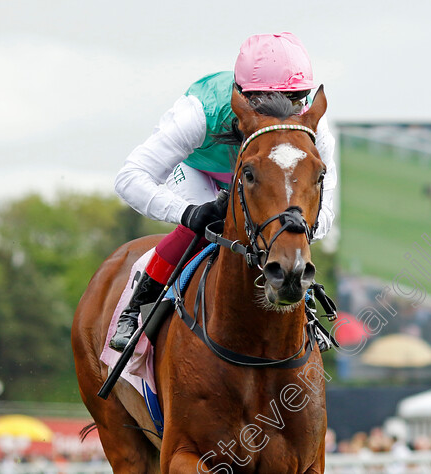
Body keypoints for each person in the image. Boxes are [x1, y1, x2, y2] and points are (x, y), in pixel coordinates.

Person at [110, 32, 337, 351]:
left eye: (294, 100)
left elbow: (325, 209)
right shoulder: (198, 111)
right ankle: (135, 309)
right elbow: (130, 177)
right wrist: (187, 214)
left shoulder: (312, 126)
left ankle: (306, 309)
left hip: (266, 185)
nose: (283, 112)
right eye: (268, 103)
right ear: (243, 96)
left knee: (281, 230)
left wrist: (295, 228)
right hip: (200, 171)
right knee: (208, 228)